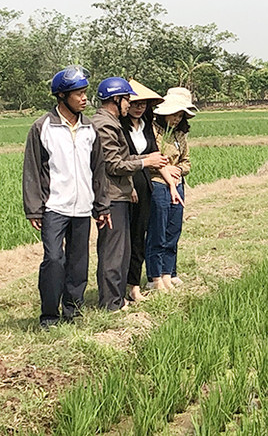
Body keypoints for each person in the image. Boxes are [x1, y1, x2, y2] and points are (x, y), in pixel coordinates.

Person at [22, 66, 111, 329]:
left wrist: (102, 206)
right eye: (78, 94)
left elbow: (98, 170)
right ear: (62, 96)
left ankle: (73, 310)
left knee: (78, 262)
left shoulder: (89, 128)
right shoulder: (43, 127)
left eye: (85, 93)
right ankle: (49, 315)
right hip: (54, 207)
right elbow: (32, 170)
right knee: (53, 259)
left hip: (82, 207)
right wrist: (34, 208)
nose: (84, 98)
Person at [91, 77, 167, 311]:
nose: (129, 104)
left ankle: (117, 297)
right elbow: (113, 164)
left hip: (119, 194)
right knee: (113, 250)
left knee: (121, 249)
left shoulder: (111, 122)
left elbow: (122, 158)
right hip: (111, 195)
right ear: (116, 99)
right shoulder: (105, 125)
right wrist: (145, 162)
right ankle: (111, 302)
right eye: (127, 100)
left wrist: (146, 159)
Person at [146, 87, 195, 291]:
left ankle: (169, 272)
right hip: (158, 184)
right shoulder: (153, 131)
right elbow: (152, 159)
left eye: (180, 115)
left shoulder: (180, 135)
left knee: (173, 229)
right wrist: (167, 170)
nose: (176, 118)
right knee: (158, 230)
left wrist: (178, 170)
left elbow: (187, 162)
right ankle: (155, 276)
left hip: (178, 184)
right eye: (174, 114)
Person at [121, 80, 164, 301]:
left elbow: (156, 156)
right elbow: (120, 160)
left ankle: (134, 285)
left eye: (143, 104)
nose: (139, 108)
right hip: (125, 185)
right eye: (135, 103)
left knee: (139, 235)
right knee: (123, 237)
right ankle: (117, 284)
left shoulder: (147, 126)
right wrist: (129, 185)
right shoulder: (119, 127)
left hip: (144, 184)